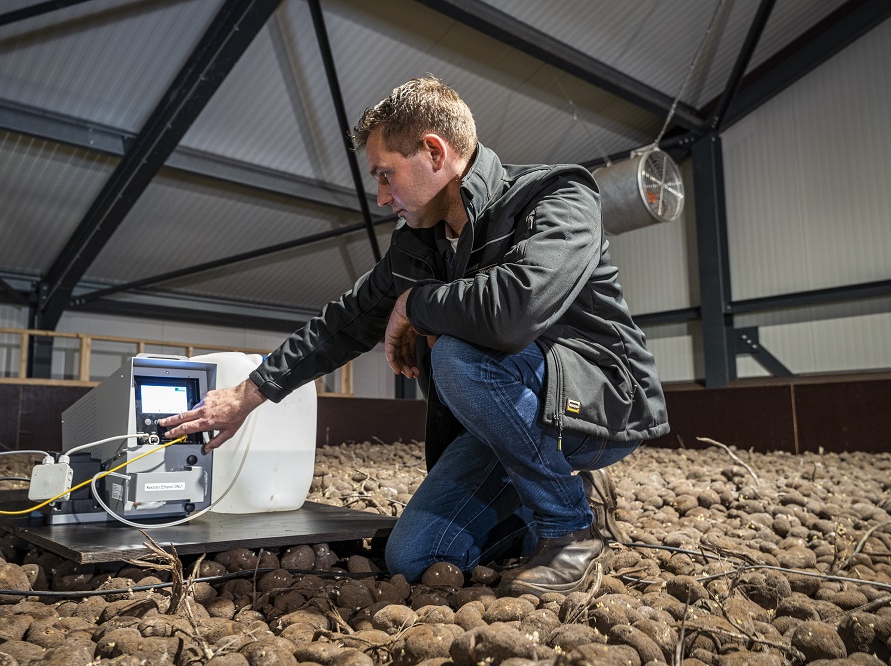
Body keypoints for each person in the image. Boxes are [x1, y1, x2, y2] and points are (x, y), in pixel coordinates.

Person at [160, 76, 669, 597]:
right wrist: (248, 395)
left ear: (433, 152)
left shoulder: (556, 196)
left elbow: (518, 307)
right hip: (508, 417)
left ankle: (569, 530)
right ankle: (568, 492)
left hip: (598, 405)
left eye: (386, 175)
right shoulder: (418, 246)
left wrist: (415, 305)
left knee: (457, 355)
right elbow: (344, 321)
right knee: (416, 555)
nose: (381, 197)